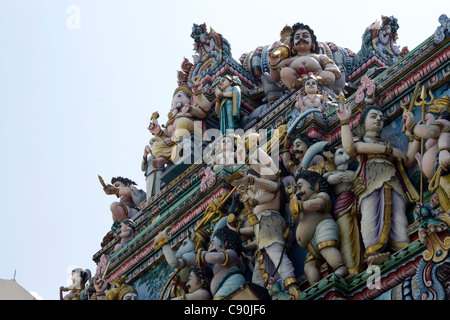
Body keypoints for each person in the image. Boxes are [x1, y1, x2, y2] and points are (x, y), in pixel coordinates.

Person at [337, 103, 419, 265]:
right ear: (362, 124)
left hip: (393, 181)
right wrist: (344, 121)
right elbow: (351, 147)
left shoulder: (386, 146)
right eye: (373, 117)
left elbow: (408, 159)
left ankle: (403, 246)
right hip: (370, 182)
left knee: (398, 214)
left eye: (381, 118)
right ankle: (372, 252)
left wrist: (412, 132)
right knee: (370, 213)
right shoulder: (363, 143)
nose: (378, 120)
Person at [227, 169, 300, 299]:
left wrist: (248, 178)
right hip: (262, 228)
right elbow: (253, 226)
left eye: (251, 185)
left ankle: (292, 285)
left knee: (276, 255)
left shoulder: (271, 186)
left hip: (270, 221)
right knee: (259, 272)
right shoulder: (259, 195)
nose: (250, 188)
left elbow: (270, 186)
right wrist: (236, 231)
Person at [291, 170, 348, 284]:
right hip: (311, 244)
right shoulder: (303, 210)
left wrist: (301, 206)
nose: (298, 192)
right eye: (296, 189)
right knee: (309, 265)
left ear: (316, 185)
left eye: (300, 187)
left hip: (323, 228)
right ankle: (315, 284)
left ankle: (340, 268)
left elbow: (319, 204)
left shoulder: (320, 196)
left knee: (327, 249)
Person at [148, 80, 211, 168]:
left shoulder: (189, 108)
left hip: (189, 131)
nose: (175, 102)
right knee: (156, 145)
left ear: (189, 99)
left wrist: (197, 95)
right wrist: (158, 132)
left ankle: (176, 146)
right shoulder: (171, 119)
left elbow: (205, 111)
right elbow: (166, 138)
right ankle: (164, 158)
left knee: (182, 122)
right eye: (172, 102)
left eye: (180, 96)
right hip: (177, 142)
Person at [402, 96, 450, 212]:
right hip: (437, 178)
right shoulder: (432, 140)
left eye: (430, 118)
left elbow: (430, 131)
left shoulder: (444, 124)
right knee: (446, 205)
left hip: (445, 171)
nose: (428, 122)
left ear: (439, 115)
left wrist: (413, 127)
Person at [268, 23, 341, 89]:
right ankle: (295, 90)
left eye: (305, 36)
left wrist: (330, 68)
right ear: (293, 46)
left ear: (313, 43)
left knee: (329, 75)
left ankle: (319, 88)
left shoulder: (319, 56)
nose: (301, 38)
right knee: (285, 72)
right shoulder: (289, 60)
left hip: (318, 76)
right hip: (296, 80)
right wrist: (273, 64)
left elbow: (332, 68)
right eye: (297, 38)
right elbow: (275, 78)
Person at [196, 227, 246, 299]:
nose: (211, 248)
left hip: (232, 284)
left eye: (213, 244)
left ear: (225, 243)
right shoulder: (217, 264)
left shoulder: (231, 253)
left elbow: (217, 257)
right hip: (224, 290)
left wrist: (204, 255)